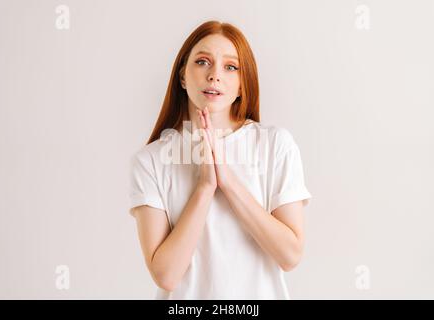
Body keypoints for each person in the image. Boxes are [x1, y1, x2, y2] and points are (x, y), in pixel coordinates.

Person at [128, 20, 312, 299]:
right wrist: (204, 187)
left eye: (230, 66)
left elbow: (290, 255)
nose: (214, 75)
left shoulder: (275, 145)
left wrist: (228, 182)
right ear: (182, 76)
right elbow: (166, 275)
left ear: (241, 85)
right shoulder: (150, 160)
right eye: (203, 62)